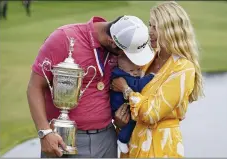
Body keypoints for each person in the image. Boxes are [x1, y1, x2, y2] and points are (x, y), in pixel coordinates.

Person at [26, 15, 154, 158]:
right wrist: (44, 132)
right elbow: (34, 87)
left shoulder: (118, 44)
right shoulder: (63, 38)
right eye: (125, 53)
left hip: (107, 138)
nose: (127, 58)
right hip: (67, 139)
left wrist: (118, 120)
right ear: (111, 42)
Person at [112, 1, 204, 158]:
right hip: (134, 145)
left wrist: (126, 89)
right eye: (150, 25)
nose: (150, 32)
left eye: (155, 27)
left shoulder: (183, 68)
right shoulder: (147, 58)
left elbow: (150, 113)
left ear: (170, 30)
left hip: (162, 147)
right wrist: (120, 123)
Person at [110, 53, 154, 154]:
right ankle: (122, 140)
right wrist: (151, 77)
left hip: (119, 104)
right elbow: (138, 86)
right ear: (121, 68)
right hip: (121, 106)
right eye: (131, 71)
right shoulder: (125, 77)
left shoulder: (120, 74)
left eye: (138, 69)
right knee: (131, 122)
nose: (135, 73)